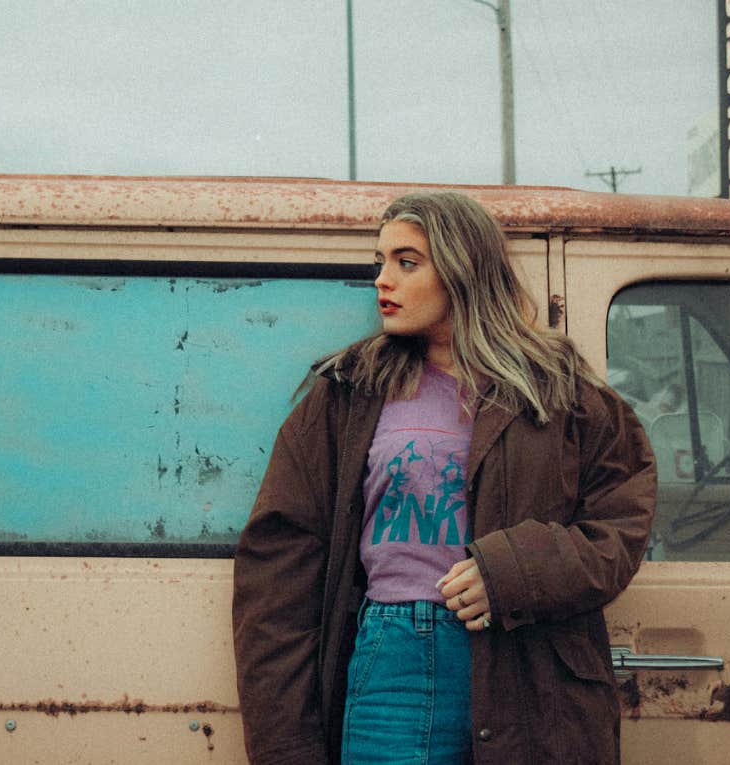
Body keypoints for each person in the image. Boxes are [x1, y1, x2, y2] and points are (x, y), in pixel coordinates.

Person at [233, 191, 656, 764]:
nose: (383, 280)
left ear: (463, 270)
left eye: (407, 263)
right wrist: (286, 742)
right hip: (392, 661)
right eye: (379, 262)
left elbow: (620, 525)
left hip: (531, 667)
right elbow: (279, 567)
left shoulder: (560, 391)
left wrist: (512, 571)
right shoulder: (349, 393)